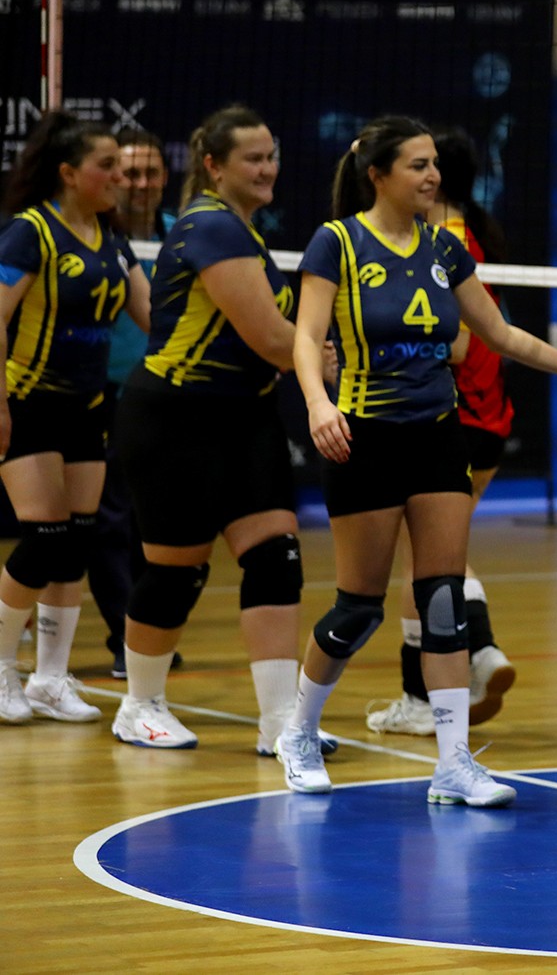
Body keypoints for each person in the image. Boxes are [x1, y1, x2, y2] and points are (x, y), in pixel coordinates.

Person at [277, 115, 557, 804]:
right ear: (377, 175)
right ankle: (298, 731)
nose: (433, 176)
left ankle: (453, 762)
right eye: (417, 165)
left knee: (442, 600)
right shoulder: (337, 243)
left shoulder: (445, 248)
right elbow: (306, 337)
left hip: (438, 437)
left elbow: (497, 333)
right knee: (358, 607)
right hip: (364, 438)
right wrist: (317, 404)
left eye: (434, 163)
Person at [109, 106, 319, 754]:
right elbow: (273, 340)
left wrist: (310, 350)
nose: (267, 168)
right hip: (176, 417)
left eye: (271, 156)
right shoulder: (211, 226)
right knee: (177, 571)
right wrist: (325, 356)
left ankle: (280, 721)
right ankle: (139, 705)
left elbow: (281, 343)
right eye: (252, 158)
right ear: (213, 166)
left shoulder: (243, 232)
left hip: (246, 415)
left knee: (276, 559)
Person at [365, 127, 520, 737]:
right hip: (492, 414)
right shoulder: (478, 229)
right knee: (432, 556)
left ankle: (472, 655)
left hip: (452, 414)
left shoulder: (440, 241)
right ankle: (435, 685)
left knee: (430, 560)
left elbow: (458, 341)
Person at [0, 110, 149, 724]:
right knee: (44, 539)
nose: (121, 177)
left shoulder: (112, 240)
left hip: (87, 408)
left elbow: (154, 317)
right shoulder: (30, 233)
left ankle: (50, 679)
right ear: (68, 173)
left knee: (77, 542)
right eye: (107, 166)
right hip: (28, 402)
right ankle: (1, 668)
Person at [96, 128, 178, 678]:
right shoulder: (94, 238)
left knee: (160, 523)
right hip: (102, 394)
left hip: (166, 395)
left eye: (150, 172)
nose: (140, 183)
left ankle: (149, 634)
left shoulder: (185, 235)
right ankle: (124, 635)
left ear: (165, 177)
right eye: (129, 173)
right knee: (108, 523)